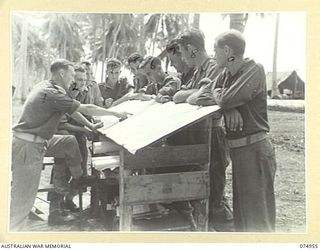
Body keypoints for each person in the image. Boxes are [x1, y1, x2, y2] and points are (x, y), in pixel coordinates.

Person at [10, 59, 130, 231]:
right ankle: (12, 236)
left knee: (69, 142)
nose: (74, 81)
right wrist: (115, 113)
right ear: (62, 74)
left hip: (39, 140)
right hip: (28, 146)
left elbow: (73, 108)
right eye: (73, 76)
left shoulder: (50, 86)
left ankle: (78, 176)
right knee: (23, 201)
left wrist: (90, 126)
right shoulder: (52, 93)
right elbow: (85, 108)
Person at [194, 30, 277, 232]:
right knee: (242, 221)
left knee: (258, 221)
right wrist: (227, 105)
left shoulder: (254, 68)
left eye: (215, 50)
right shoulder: (226, 74)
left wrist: (224, 100)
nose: (213, 55)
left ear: (228, 50)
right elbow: (197, 97)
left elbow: (225, 98)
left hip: (255, 151)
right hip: (240, 153)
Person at [173, 29, 234, 231]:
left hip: (213, 135)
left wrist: (186, 95)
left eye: (182, 52)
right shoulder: (198, 71)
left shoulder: (214, 68)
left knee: (215, 196)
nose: (182, 57)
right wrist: (187, 94)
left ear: (192, 50)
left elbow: (190, 96)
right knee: (201, 194)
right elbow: (181, 95)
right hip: (198, 136)